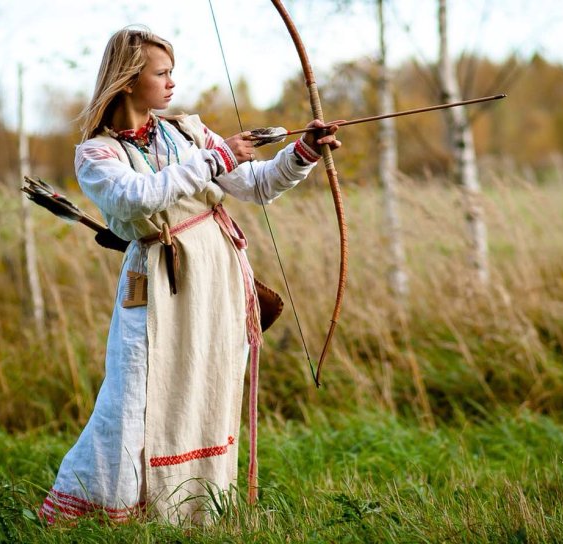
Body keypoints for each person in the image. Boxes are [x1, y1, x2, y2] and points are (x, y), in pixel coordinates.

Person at [38, 26, 340, 525]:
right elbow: (136, 198)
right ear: (129, 81)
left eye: (171, 72)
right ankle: (101, 514)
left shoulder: (187, 132)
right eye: (161, 73)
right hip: (155, 286)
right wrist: (217, 157)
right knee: (133, 400)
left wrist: (302, 152)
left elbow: (257, 185)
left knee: (207, 389)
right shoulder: (97, 153)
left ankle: (190, 512)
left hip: (216, 283)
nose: (172, 83)